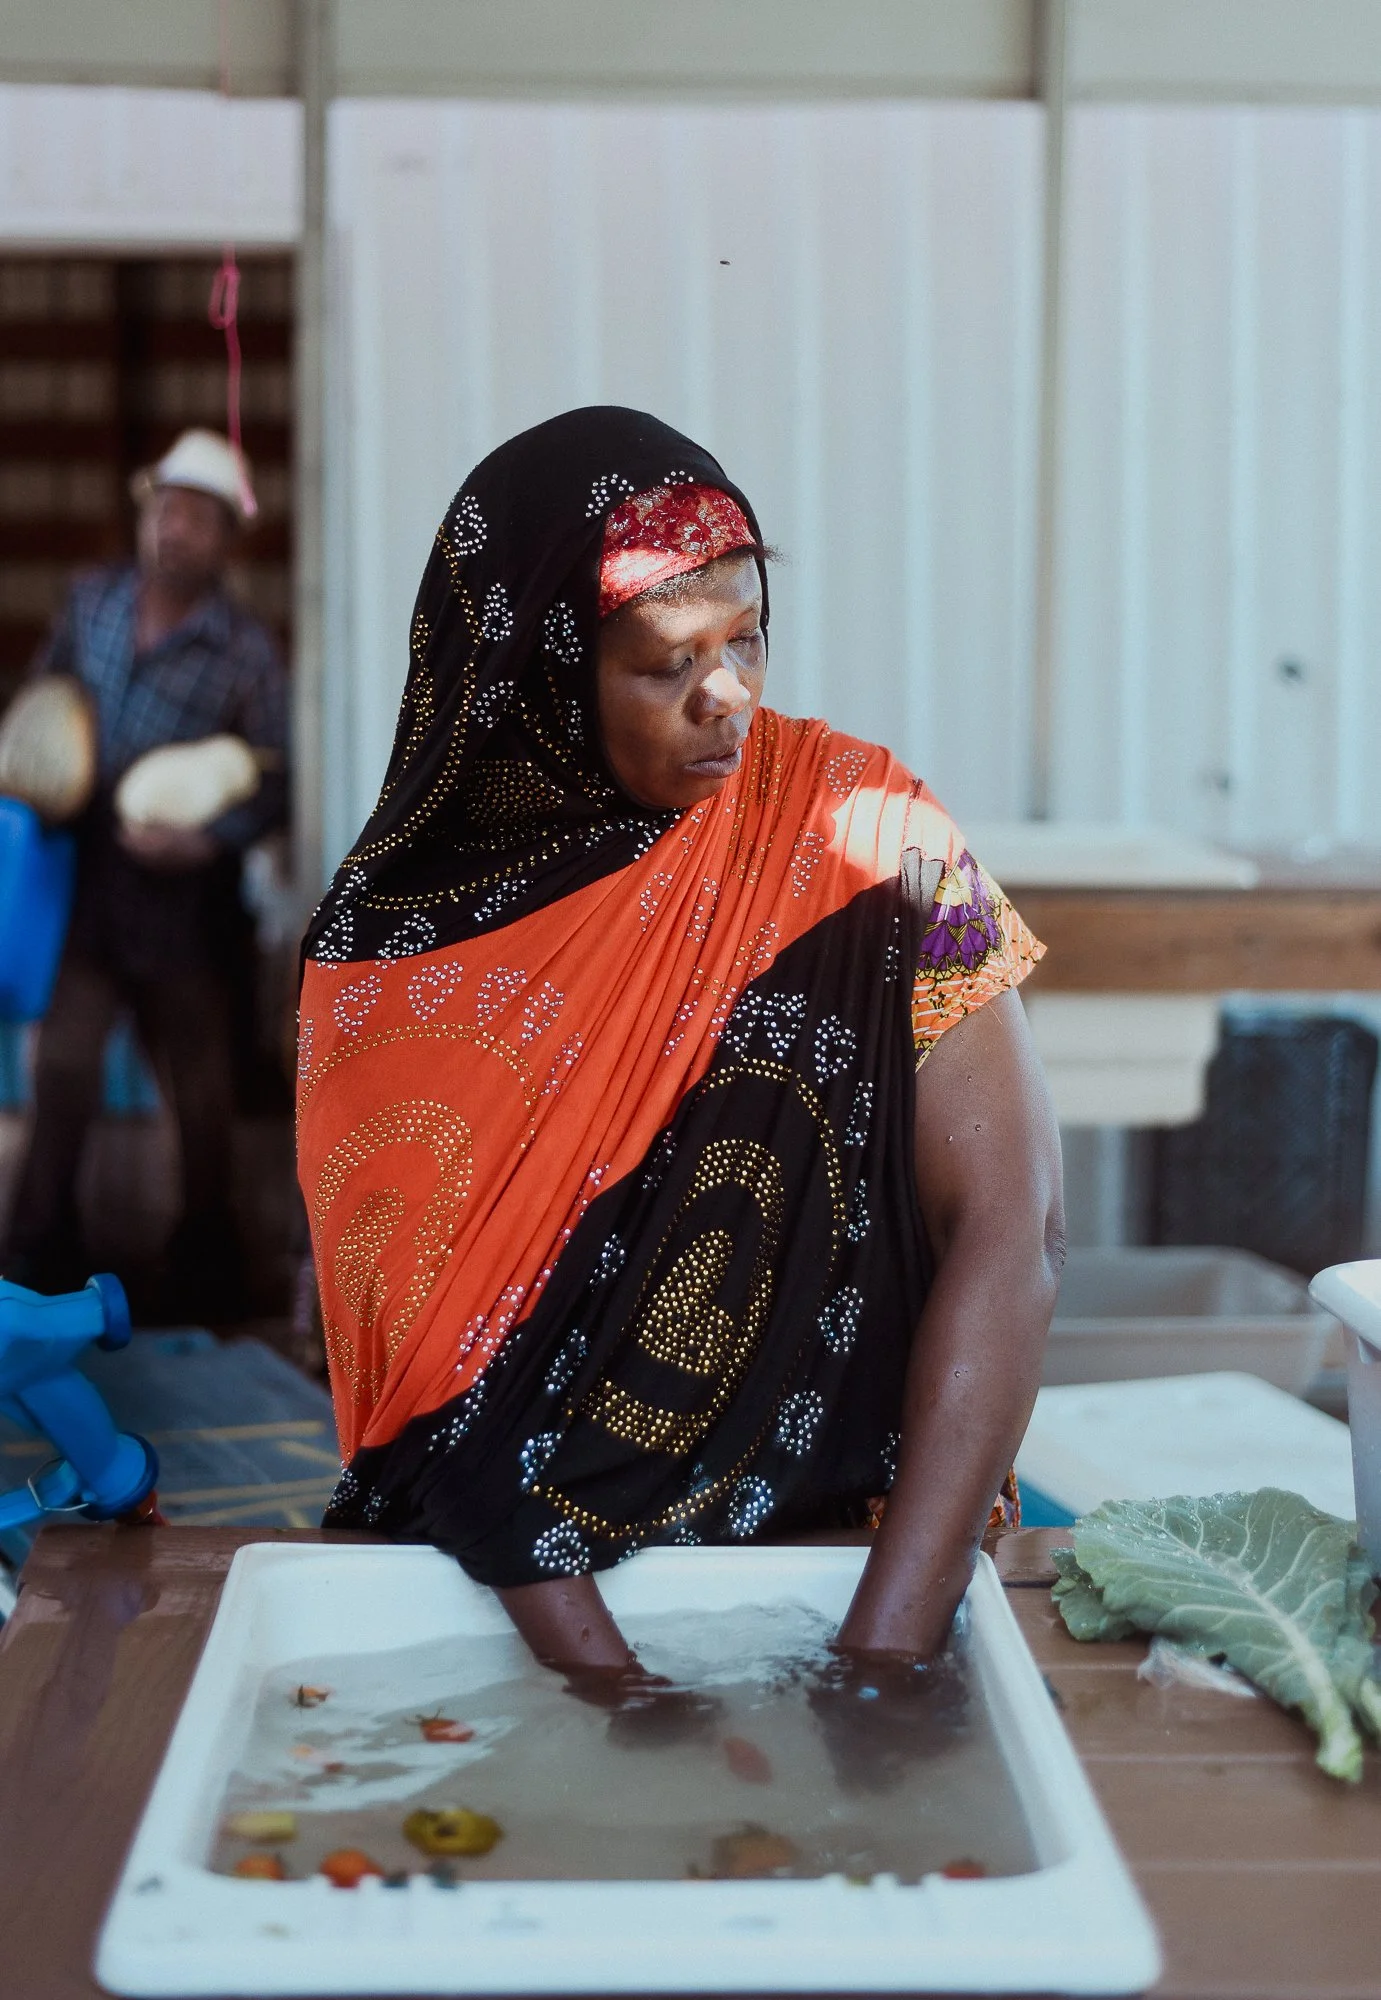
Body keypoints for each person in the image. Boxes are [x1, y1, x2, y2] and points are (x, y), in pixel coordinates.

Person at [298, 406, 1062, 1684]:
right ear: (539, 673)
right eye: (665, 663)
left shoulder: (868, 835)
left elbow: (1014, 1222)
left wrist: (879, 1657)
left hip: (847, 1570)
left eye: (747, 638)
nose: (729, 701)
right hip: (503, 1604)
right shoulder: (391, 954)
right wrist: (619, 1697)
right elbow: (433, 1399)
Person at [4, 429, 289, 1317]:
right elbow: (46, 705)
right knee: (62, 1074)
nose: (176, 529)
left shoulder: (245, 651)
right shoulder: (91, 604)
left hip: (187, 902)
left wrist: (210, 842)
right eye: (167, 509)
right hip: (91, 884)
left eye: (198, 518)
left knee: (198, 1097)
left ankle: (204, 1283)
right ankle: (35, 1274)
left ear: (223, 541)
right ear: (146, 516)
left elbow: (275, 774)